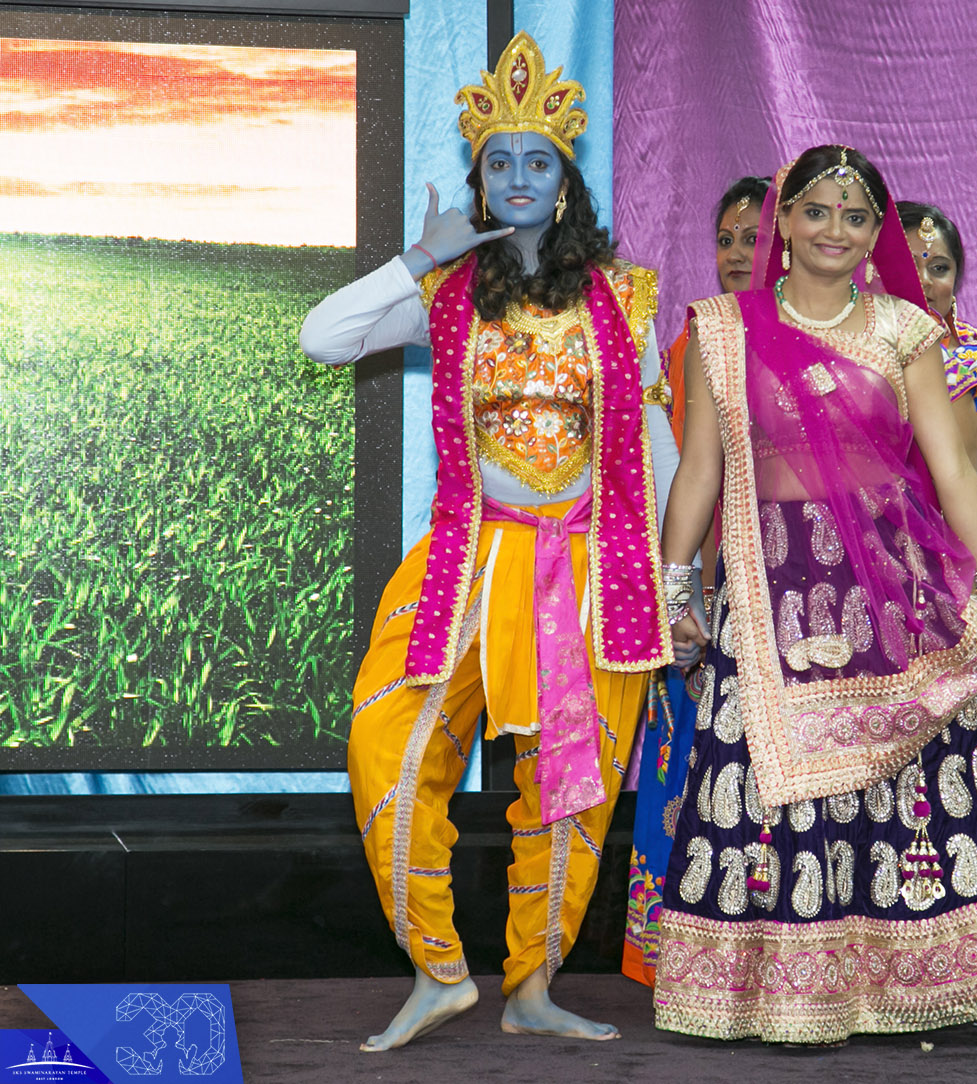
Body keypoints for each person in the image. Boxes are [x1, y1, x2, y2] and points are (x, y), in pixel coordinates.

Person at [650, 145, 977, 1044]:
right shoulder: (721, 330)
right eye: (816, 212)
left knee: (904, 775)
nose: (834, 233)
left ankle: (899, 981)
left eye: (856, 219)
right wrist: (674, 587)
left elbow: (953, 473)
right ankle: (773, 993)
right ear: (781, 220)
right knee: (768, 786)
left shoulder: (906, 332)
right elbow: (700, 469)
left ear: (874, 234)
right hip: (770, 591)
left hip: (891, 589)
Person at [298, 32, 677, 1048]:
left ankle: (533, 986)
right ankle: (437, 968)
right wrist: (422, 253)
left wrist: (674, 580)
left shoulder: (625, 299)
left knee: (567, 791)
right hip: (466, 558)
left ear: (565, 184)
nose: (517, 176)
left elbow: (659, 445)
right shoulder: (447, 298)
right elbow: (322, 336)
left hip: (591, 572)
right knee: (387, 747)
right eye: (498, 161)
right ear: (480, 181)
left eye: (537, 161)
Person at [623, 174, 769, 987]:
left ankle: (762, 956)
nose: (739, 253)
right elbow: (669, 477)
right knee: (686, 769)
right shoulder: (687, 344)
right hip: (688, 599)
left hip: (779, 603)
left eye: (755, 238)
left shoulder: (804, 339)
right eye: (726, 239)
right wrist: (671, 596)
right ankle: (677, 955)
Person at [898, 201, 977, 547]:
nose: (924, 282)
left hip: (950, 572)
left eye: (939, 268)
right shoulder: (851, 357)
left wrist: (973, 593)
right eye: (907, 266)